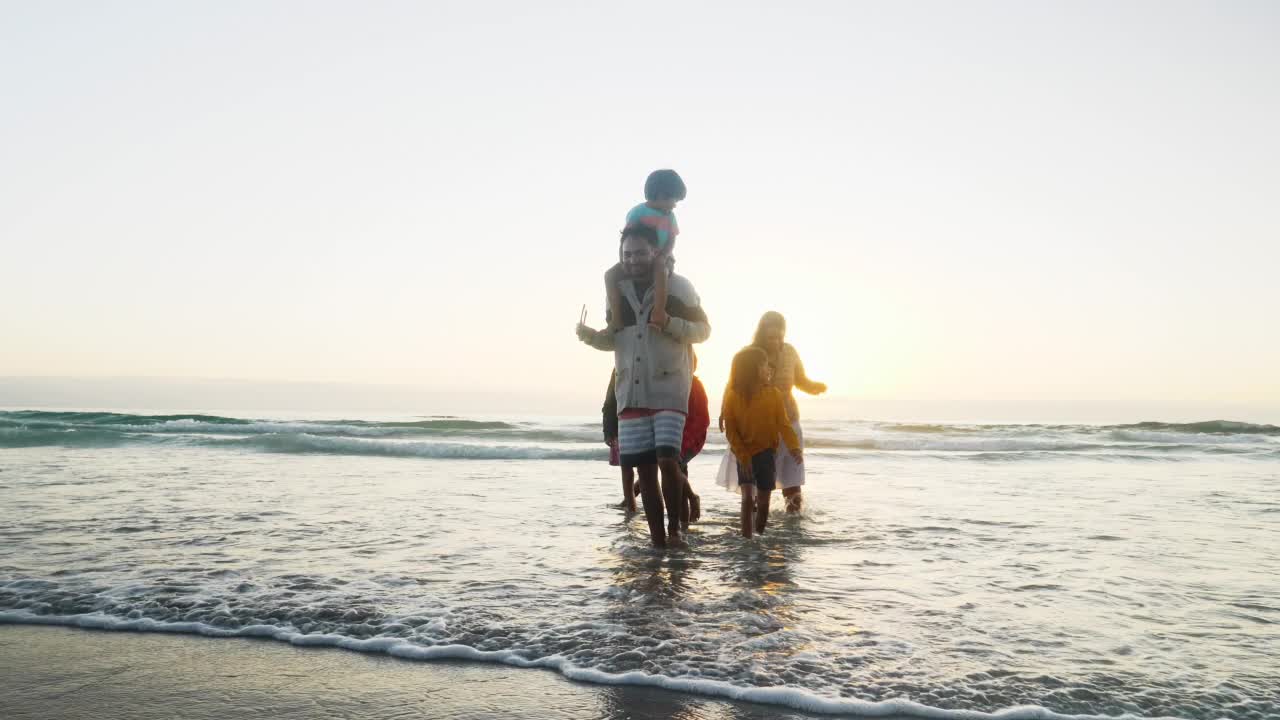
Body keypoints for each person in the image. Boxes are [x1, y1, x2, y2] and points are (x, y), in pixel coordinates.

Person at [578, 223, 710, 549]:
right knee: (645, 471)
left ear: (655, 253)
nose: (633, 260)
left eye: (640, 253)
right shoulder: (617, 292)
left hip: (668, 388)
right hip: (630, 391)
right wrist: (591, 336)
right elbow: (616, 338)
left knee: (667, 458)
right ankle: (658, 543)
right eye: (626, 254)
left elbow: (704, 330)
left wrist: (669, 323)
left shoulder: (678, 288)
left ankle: (676, 528)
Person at [716, 312, 827, 512]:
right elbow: (733, 384)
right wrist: (724, 410)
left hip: (788, 422)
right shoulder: (749, 354)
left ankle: (792, 526)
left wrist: (815, 387)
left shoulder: (790, 351)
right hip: (756, 428)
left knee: (793, 478)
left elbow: (800, 380)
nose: (776, 341)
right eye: (771, 337)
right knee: (758, 481)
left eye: (780, 336)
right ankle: (757, 525)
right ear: (761, 334)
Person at [722, 346, 802, 538]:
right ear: (754, 369)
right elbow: (731, 431)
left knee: (764, 501)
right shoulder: (733, 396)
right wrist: (743, 455)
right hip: (744, 454)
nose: (769, 369)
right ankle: (747, 538)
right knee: (748, 498)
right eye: (765, 364)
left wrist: (794, 447)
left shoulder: (773, 394)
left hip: (766, 453)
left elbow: (783, 424)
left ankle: (758, 534)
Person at [606, 170, 686, 334]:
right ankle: (616, 318)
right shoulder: (638, 213)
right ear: (660, 195)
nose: (674, 205)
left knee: (660, 269)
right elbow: (626, 239)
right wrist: (623, 259)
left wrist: (664, 254)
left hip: (661, 256)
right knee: (610, 275)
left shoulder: (670, 216)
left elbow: (672, 239)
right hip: (637, 256)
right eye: (674, 200)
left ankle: (658, 312)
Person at [678, 352, 709, 526]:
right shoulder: (675, 384)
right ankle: (684, 524)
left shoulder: (696, 385)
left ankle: (692, 497)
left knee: (675, 466)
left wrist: (686, 443)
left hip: (692, 438)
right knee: (678, 476)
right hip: (677, 437)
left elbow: (702, 420)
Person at [602, 370, 637, 512]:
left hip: (640, 418)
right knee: (627, 467)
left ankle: (629, 503)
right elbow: (610, 400)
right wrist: (608, 431)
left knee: (646, 468)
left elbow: (609, 401)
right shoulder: (618, 367)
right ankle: (630, 504)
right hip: (622, 421)